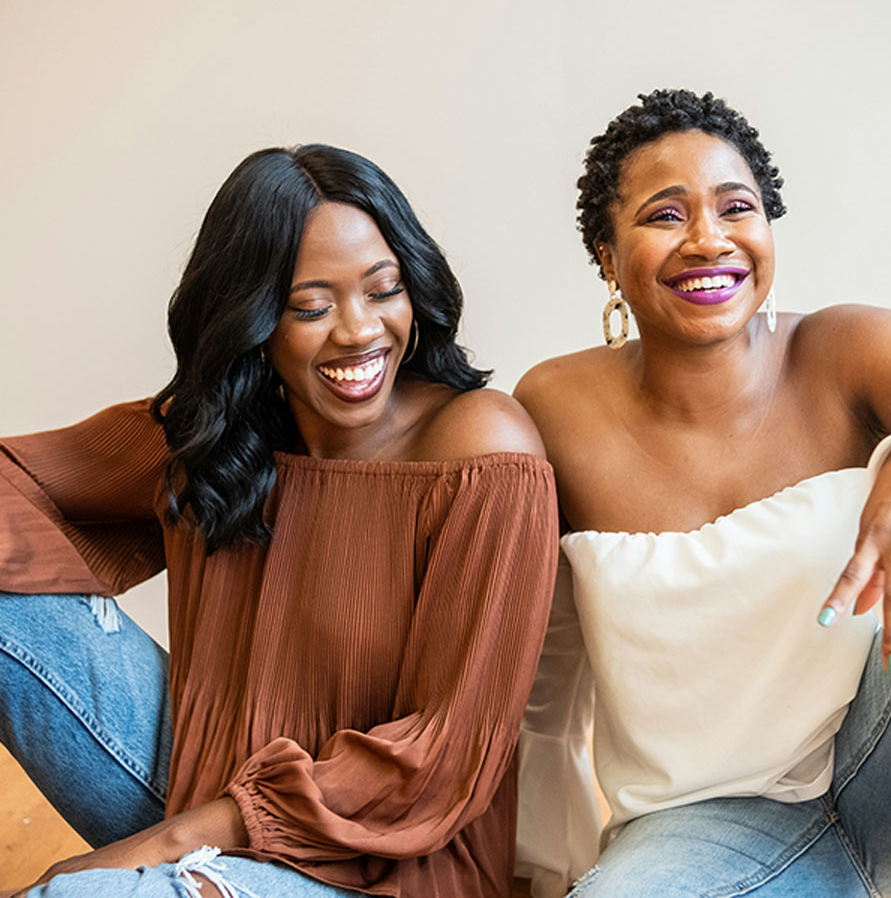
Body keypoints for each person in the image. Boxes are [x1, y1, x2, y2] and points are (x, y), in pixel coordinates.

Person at [0, 144, 558, 898]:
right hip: (206, 786)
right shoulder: (220, 436)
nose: (360, 331)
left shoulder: (483, 450)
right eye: (311, 307)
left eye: (383, 289)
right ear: (255, 322)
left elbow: (442, 760)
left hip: (386, 866)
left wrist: (164, 844)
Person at [513, 90, 891, 898]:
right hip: (705, 823)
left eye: (736, 208)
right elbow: (545, 674)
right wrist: (540, 868)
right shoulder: (554, 408)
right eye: (666, 216)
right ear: (607, 254)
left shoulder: (847, 350)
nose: (708, 239)